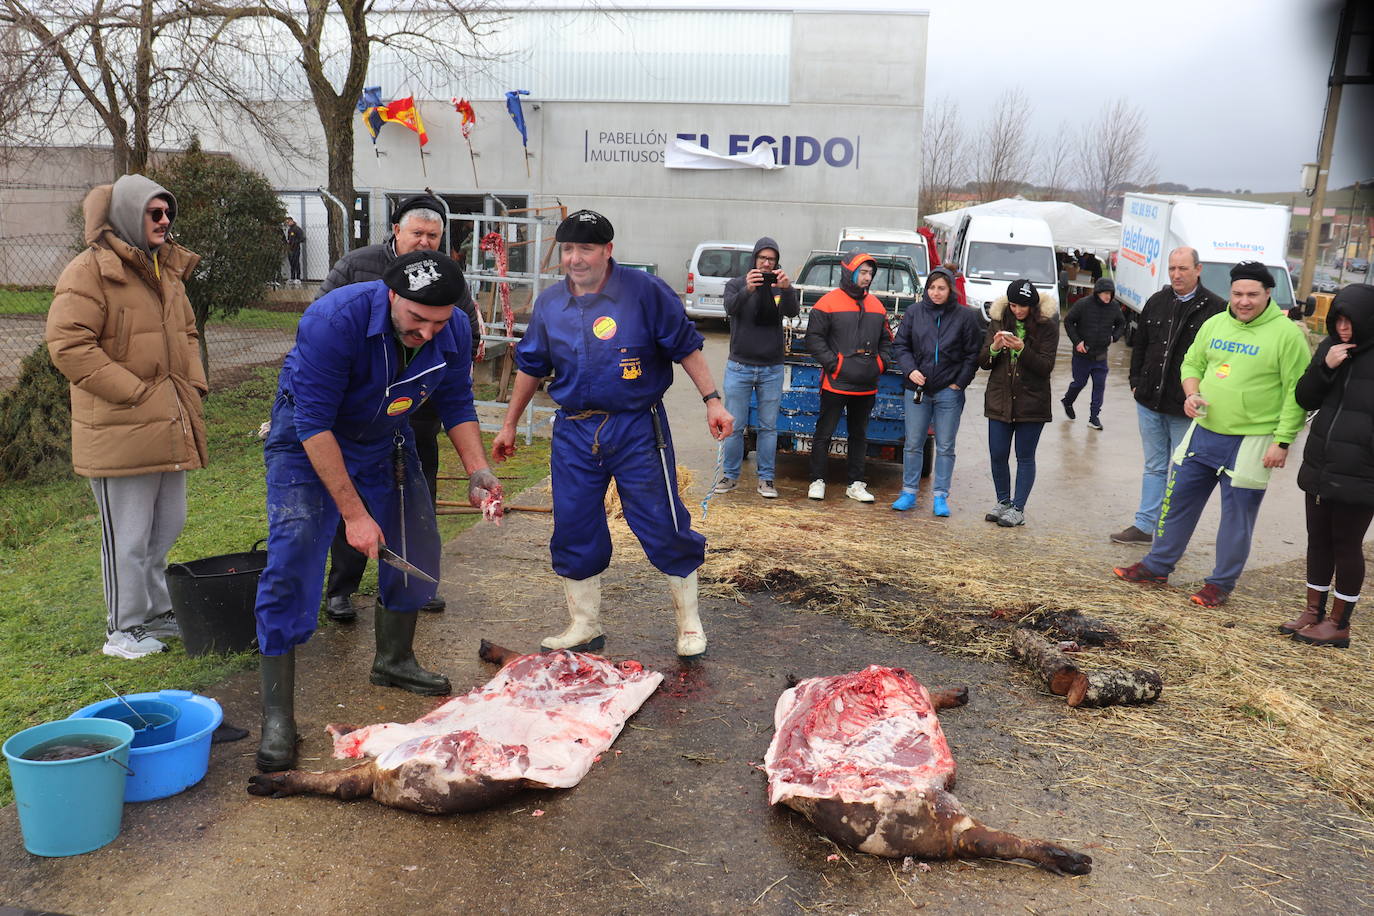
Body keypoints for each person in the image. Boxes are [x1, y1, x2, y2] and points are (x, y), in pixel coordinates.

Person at [253, 251, 500, 772]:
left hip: (384, 438)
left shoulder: (451, 328)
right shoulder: (333, 321)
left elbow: (456, 401)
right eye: (417, 319)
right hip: (307, 441)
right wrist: (355, 515)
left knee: (418, 542)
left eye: (439, 322)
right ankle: (279, 717)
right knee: (294, 555)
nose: (428, 332)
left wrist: (478, 471)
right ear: (393, 295)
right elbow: (314, 423)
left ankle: (394, 660)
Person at [491, 210, 731, 658]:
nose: (575, 259)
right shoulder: (550, 304)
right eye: (567, 249)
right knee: (574, 523)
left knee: (662, 521)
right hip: (575, 430)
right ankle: (584, 624)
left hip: (637, 426)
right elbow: (531, 365)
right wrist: (509, 424)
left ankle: (689, 624)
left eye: (585, 249)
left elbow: (687, 347)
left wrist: (712, 400)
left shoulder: (645, 293)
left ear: (608, 251)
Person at [47, 175, 207, 659]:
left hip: (168, 421)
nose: (164, 222)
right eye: (153, 213)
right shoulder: (89, 271)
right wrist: (135, 393)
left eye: (168, 214)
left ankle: (156, 612)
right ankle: (123, 629)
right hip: (119, 427)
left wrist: (192, 385)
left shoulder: (166, 270)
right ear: (126, 215)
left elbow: (188, 333)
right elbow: (69, 345)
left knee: (167, 525)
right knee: (128, 535)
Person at [315, 194, 482, 622]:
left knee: (414, 502)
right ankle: (342, 588)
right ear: (397, 231)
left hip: (413, 412)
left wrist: (477, 468)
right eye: (418, 233)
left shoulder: (450, 283)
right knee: (346, 504)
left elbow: (457, 383)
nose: (425, 241)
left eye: (434, 235)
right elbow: (325, 341)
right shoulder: (355, 272)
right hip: (346, 415)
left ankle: (410, 599)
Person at [1114, 261, 1310, 608]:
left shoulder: (1287, 335)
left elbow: (1298, 393)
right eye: (1238, 294)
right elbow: (1191, 363)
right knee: (1176, 503)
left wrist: (1283, 442)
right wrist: (1191, 393)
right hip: (1205, 430)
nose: (1244, 301)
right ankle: (1157, 566)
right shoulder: (1215, 322)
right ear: (1230, 293)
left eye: (1252, 294)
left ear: (1268, 294)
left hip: (1253, 440)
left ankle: (1220, 584)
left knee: (1237, 518)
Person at [1111, 247, 1225, 545]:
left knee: (1183, 472)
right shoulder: (1157, 301)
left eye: (1183, 269)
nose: (1176, 274)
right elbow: (1140, 346)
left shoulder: (1215, 309)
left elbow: (1217, 361)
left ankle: (1170, 533)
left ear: (1198, 269)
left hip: (1183, 408)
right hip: (1149, 401)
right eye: (1172, 268)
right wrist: (1135, 382)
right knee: (1154, 466)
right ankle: (1144, 526)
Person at [1283, 283, 1374, 648]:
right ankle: (1313, 611)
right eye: (1338, 320)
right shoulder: (1331, 348)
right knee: (1317, 539)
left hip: (1362, 471)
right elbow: (1304, 396)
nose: (1343, 328)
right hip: (1321, 463)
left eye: (1351, 321)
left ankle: (1340, 623)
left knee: (1346, 543)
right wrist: (1326, 365)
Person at [891, 266, 982, 515]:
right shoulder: (914, 312)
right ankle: (909, 492)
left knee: (945, 445)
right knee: (913, 443)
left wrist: (958, 383)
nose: (936, 292)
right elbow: (900, 345)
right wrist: (910, 370)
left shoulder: (965, 317)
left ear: (950, 289)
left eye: (941, 288)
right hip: (917, 388)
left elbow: (972, 354)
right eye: (931, 287)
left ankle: (940, 496)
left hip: (948, 391)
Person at [715, 236, 800, 499]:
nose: (766, 263)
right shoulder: (737, 284)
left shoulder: (779, 286)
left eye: (771, 259)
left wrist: (786, 289)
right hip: (739, 366)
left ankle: (766, 480)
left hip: (771, 367)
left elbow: (792, 312)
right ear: (754, 259)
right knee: (734, 425)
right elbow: (730, 308)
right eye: (762, 258)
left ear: (776, 262)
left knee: (768, 427)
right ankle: (730, 475)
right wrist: (747, 290)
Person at [804, 252, 893, 503]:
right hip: (836, 382)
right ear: (849, 272)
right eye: (862, 272)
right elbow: (814, 338)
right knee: (824, 433)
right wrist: (835, 364)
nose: (867, 277)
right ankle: (817, 480)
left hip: (866, 385)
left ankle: (855, 483)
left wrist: (879, 363)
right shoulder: (827, 303)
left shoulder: (877, 306)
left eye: (870, 273)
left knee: (859, 435)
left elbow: (887, 341)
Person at [980, 279, 1059, 527]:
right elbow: (983, 362)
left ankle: (1018, 508)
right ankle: (1002, 501)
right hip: (999, 399)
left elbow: (1046, 367)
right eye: (1013, 305)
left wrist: (1023, 349)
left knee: (1025, 456)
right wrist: (994, 347)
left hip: (1032, 402)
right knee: (998, 454)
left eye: (1023, 306)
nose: (1018, 311)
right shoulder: (998, 321)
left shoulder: (1047, 326)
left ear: (1033, 306)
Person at [1060, 277, 1126, 431]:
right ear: (1097, 293)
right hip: (1082, 355)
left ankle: (1094, 417)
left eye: (1110, 293)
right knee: (1079, 383)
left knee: (1099, 386)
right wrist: (1077, 342)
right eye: (1104, 293)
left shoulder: (1114, 307)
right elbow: (1068, 321)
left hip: (1101, 356)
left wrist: (1114, 336)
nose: (1107, 297)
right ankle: (1067, 401)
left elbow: (1121, 323)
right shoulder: (1083, 304)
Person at [283, 216, 305, 285]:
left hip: (296, 249)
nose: (288, 223)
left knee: (296, 262)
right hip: (290, 249)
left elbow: (302, 238)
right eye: (287, 222)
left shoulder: (297, 229)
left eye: (288, 222)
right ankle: (292, 277)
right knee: (291, 263)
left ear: (292, 221)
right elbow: (289, 239)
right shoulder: (290, 230)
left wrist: (295, 242)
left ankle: (298, 278)